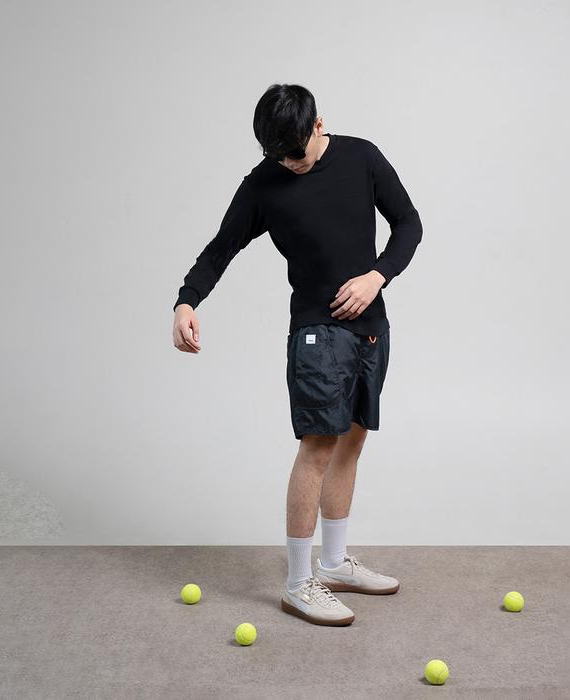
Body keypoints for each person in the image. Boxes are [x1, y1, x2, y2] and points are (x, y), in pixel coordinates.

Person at [172, 83, 423, 626]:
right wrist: (187, 300)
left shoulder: (362, 157)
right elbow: (221, 247)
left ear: (318, 125)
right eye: (279, 156)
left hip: (370, 327)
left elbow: (409, 223)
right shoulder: (264, 183)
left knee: (351, 440)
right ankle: (298, 582)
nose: (290, 164)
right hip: (316, 332)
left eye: (297, 152)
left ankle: (333, 564)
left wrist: (377, 276)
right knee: (318, 445)